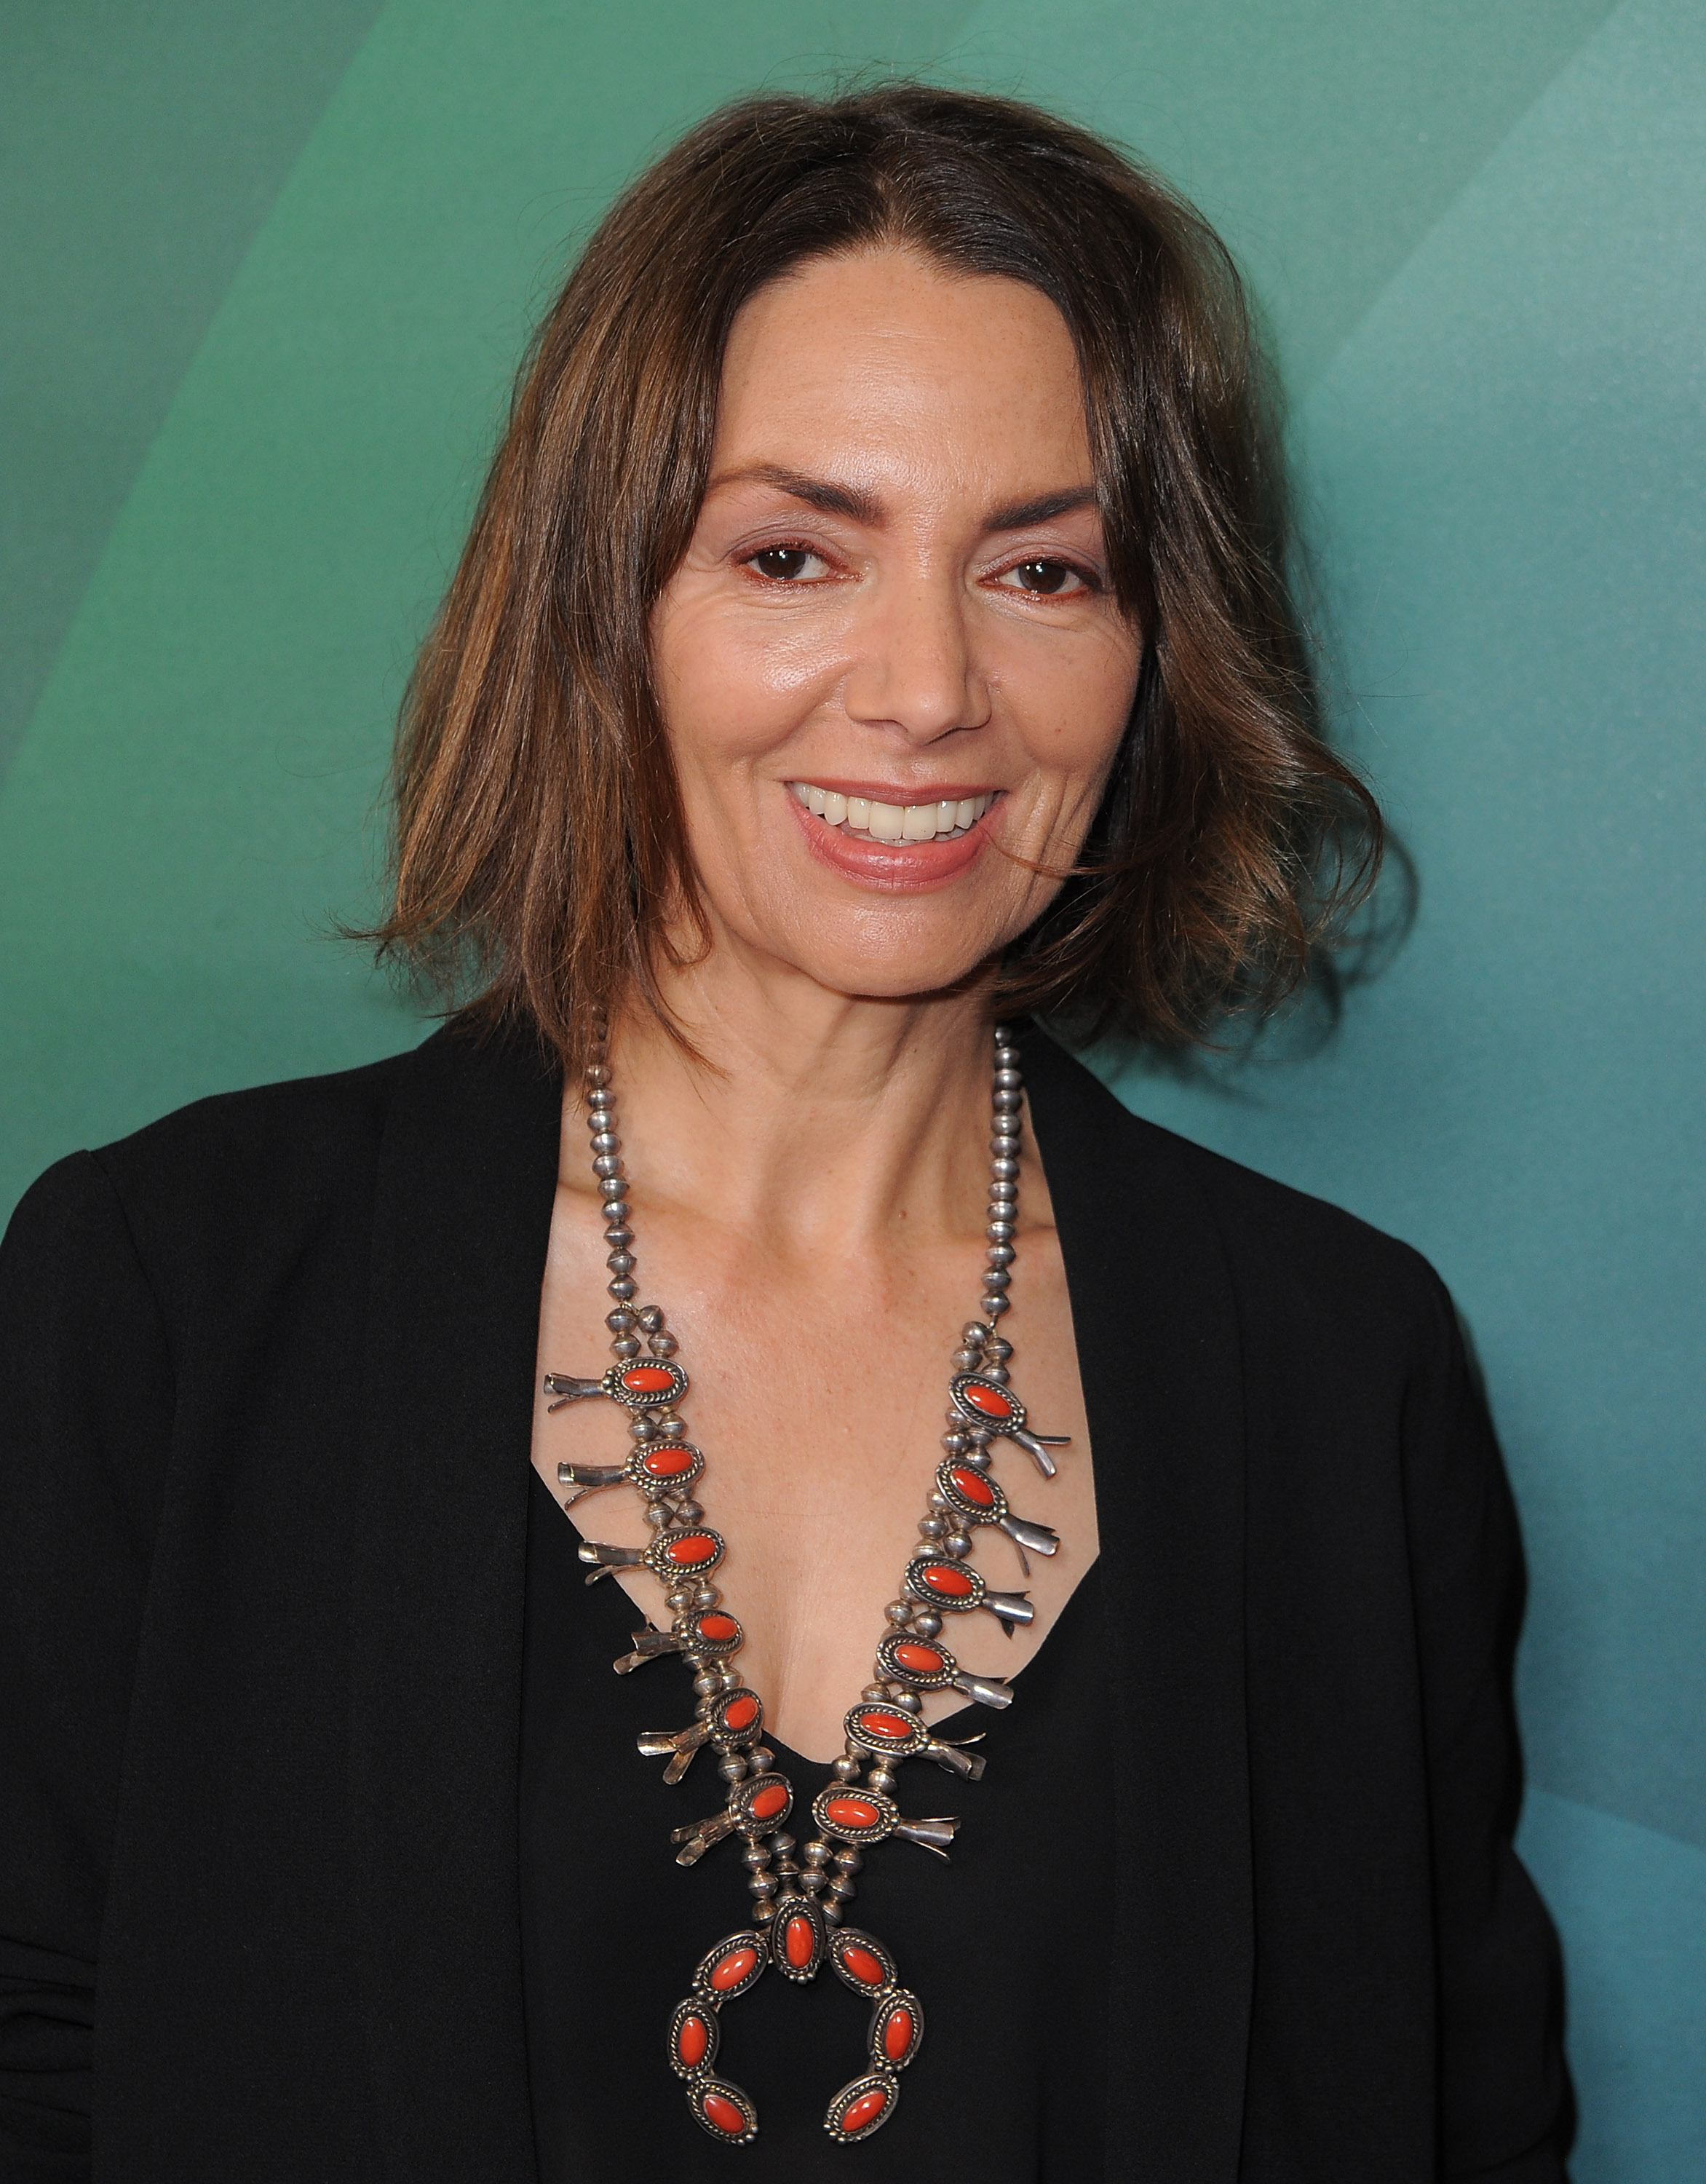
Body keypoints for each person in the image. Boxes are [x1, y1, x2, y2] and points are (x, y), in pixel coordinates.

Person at [0, 83, 1570, 2183]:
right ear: (602, 602)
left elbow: (1460, 2120)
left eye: (1040, 566)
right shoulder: (168, 1299)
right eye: (791, 552)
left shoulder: (1337, 1373)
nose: (926, 688)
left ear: (1154, 653)